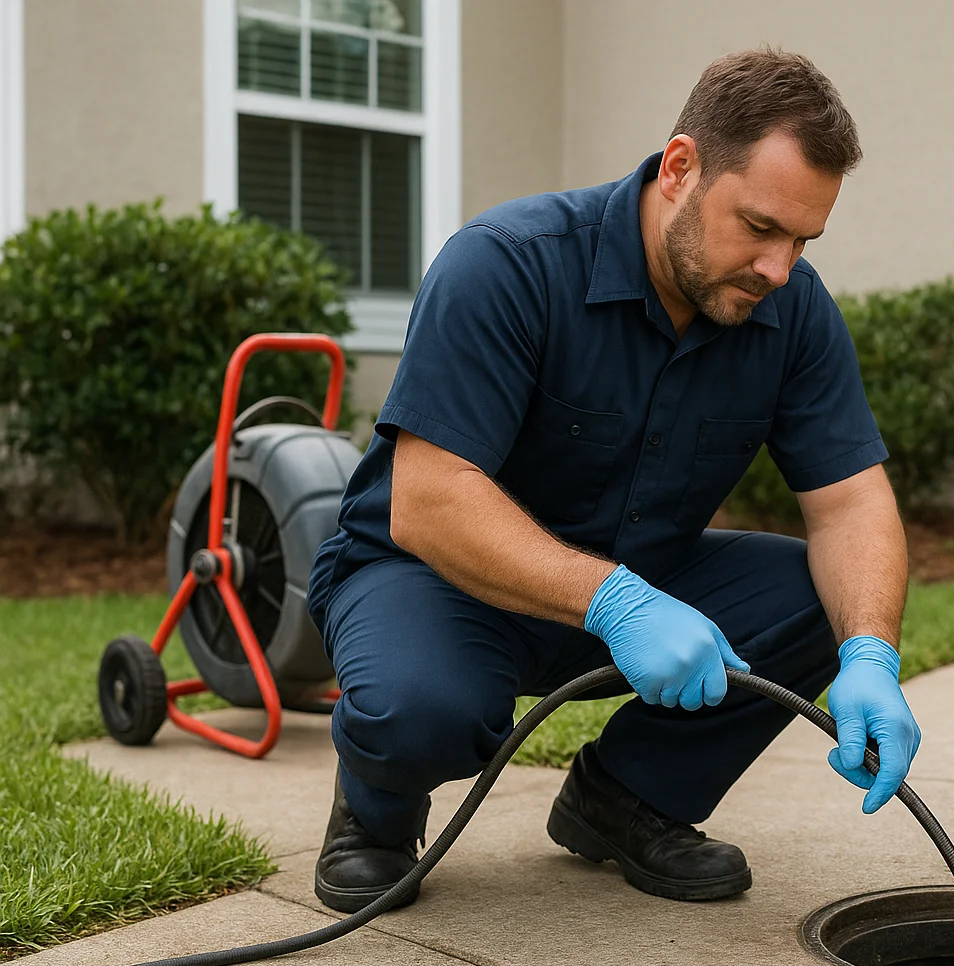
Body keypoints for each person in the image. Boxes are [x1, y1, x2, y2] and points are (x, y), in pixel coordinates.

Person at [305, 48, 920, 913]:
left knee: (830, 597)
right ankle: (374, 816)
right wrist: (618, 605)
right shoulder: (506, 265)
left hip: (643, 576)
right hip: (435, 578)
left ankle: (626, 799)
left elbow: (852, 501)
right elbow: (430, 498)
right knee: (421, 706)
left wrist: (872, 655)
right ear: (680, 169)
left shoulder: (791, 309)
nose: (779, 268)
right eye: (760, 227)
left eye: (803, 239)